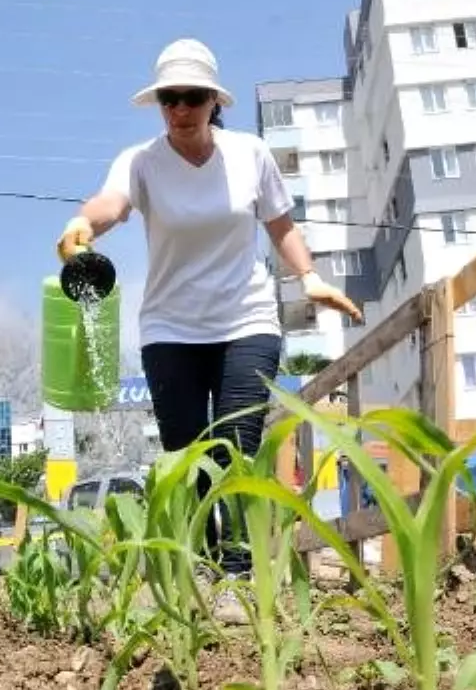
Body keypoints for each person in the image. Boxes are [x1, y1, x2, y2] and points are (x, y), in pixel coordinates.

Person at [55, 39, 362, 621]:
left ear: (213, 101)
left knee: (238, 447)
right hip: (170, 327)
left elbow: (281, 226)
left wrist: (310, 278)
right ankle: (203, 562)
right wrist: (81, 222)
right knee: (187, 454)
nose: (180, 109)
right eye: (169, 98)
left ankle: (239, 575)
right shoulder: (141, 160)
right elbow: (111, 204)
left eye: (192, 97)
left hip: (245, 318)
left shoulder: (250, 154)